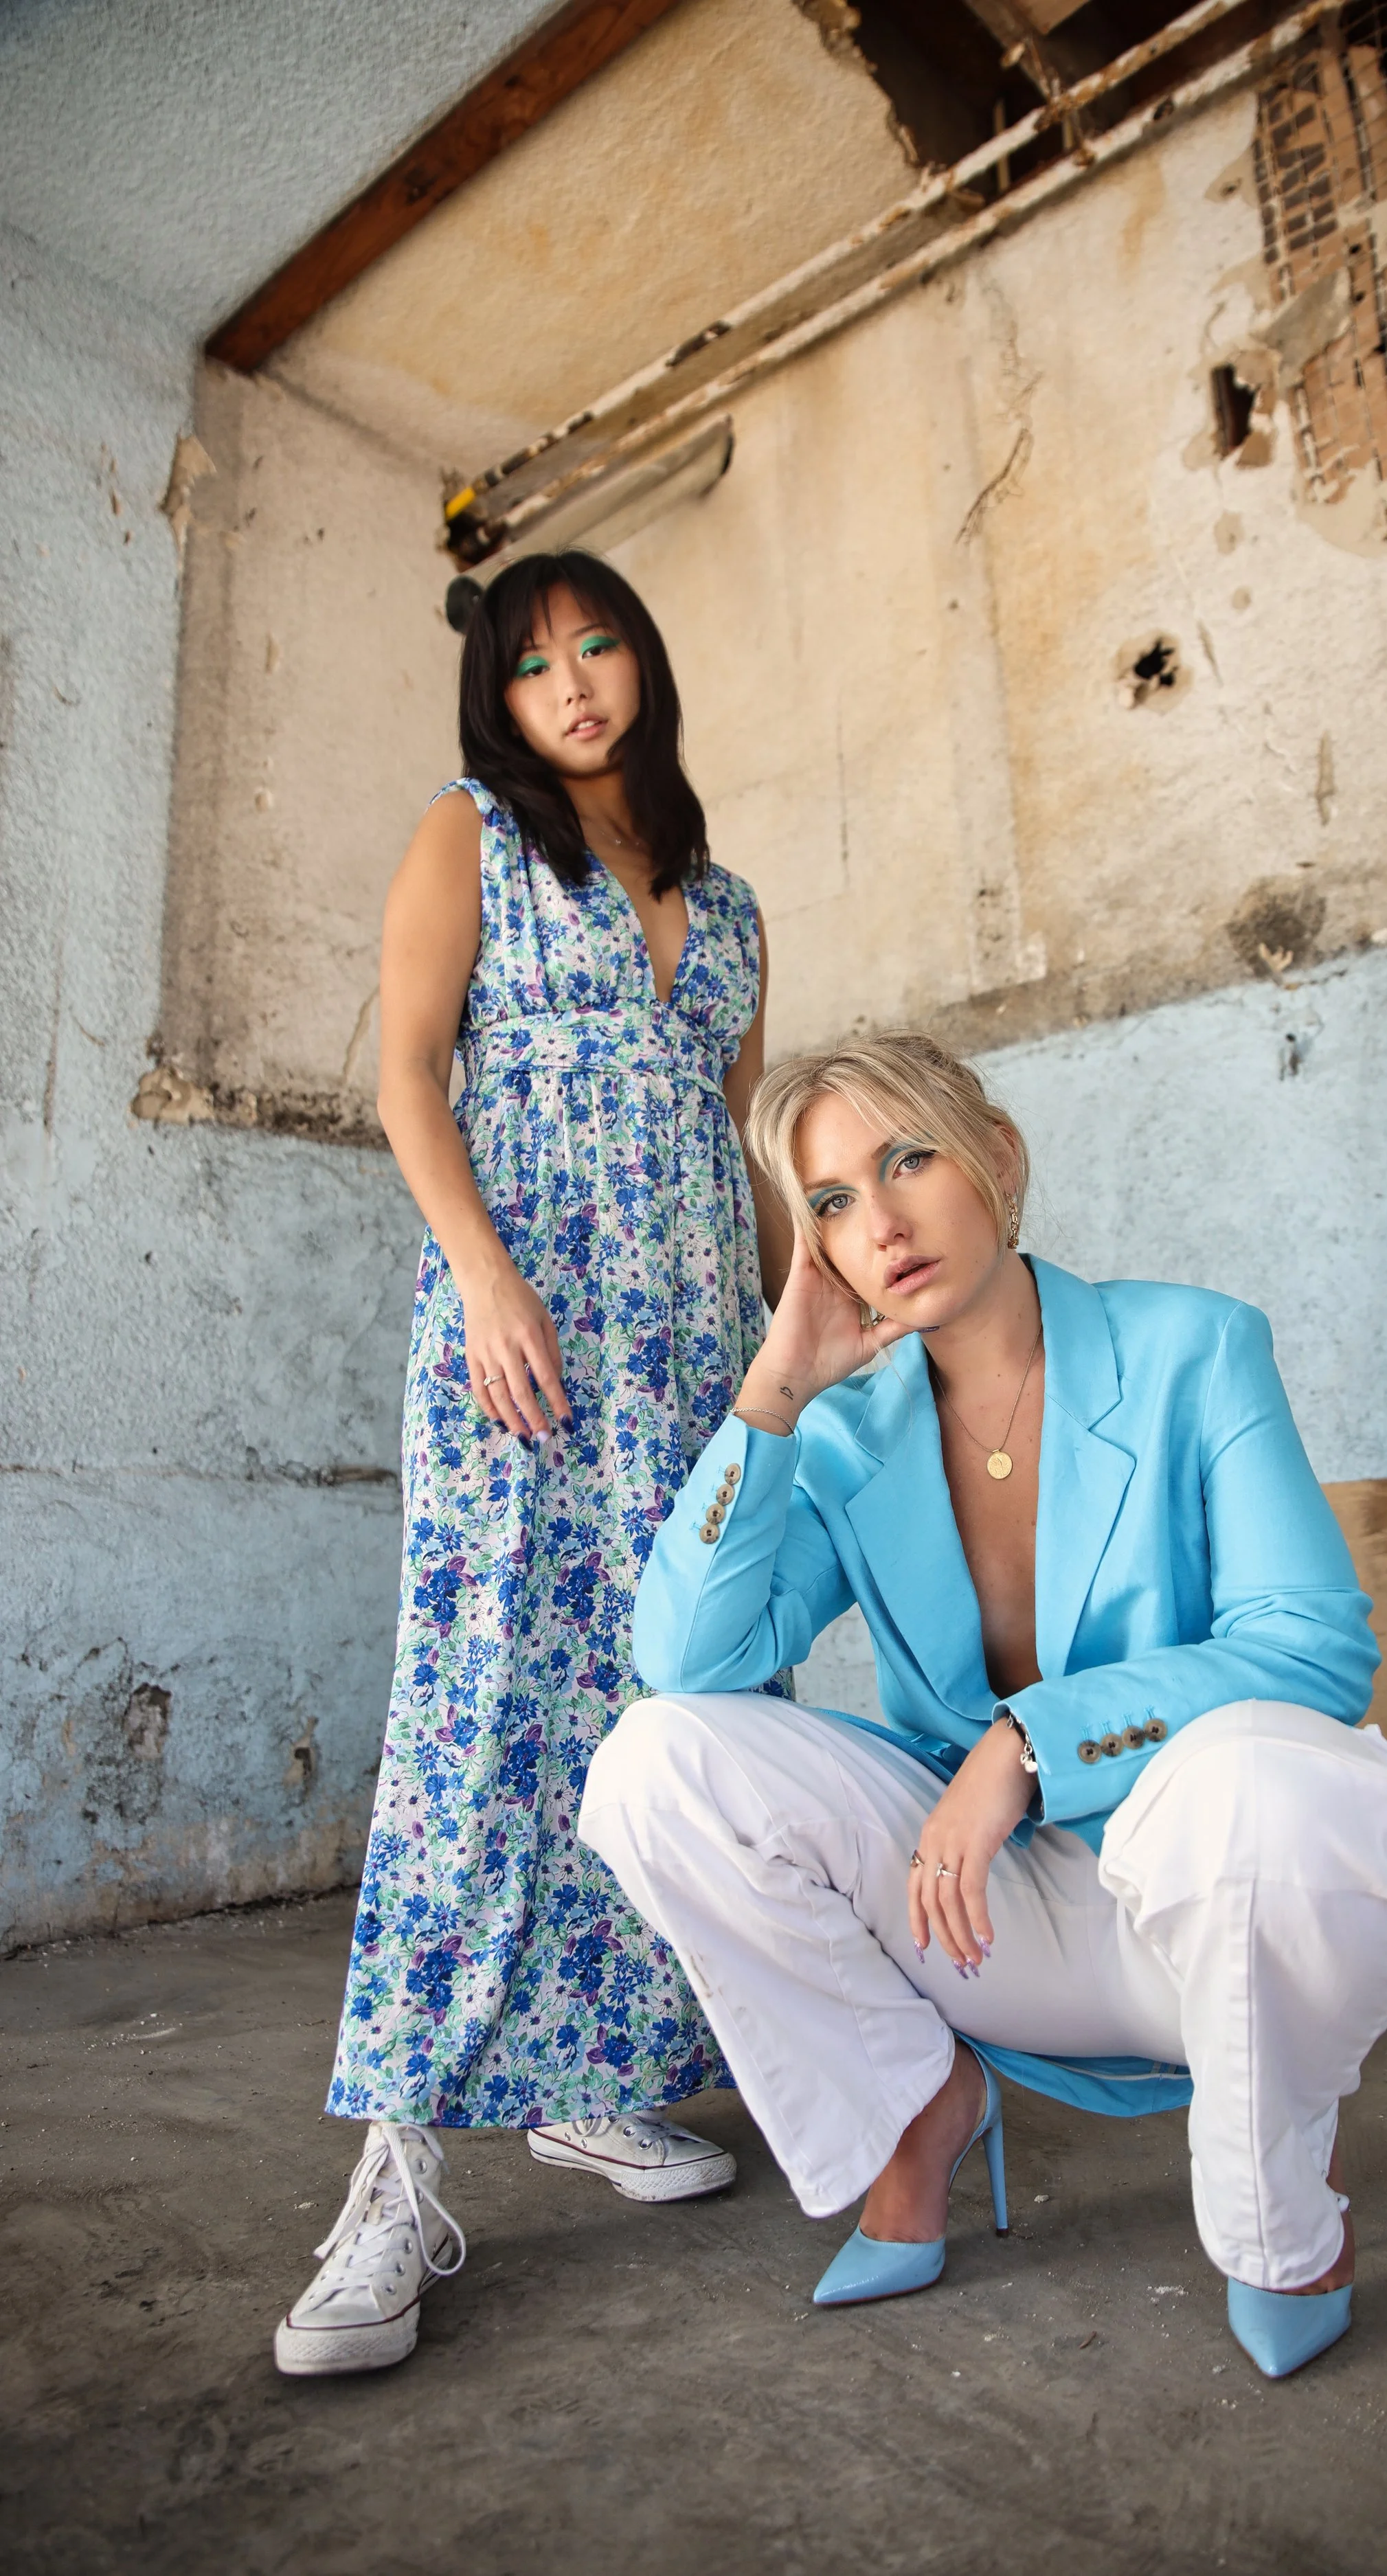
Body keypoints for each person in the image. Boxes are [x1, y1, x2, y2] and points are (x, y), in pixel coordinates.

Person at [579, 1032, 1387, 2380]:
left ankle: (1278, 2215)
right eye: (828, 1203)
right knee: (655, 1763)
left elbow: (1313, 1652)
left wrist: (1026, 1745)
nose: (878, 1223)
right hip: (983, 1920)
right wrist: (773, 1391)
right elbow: (691, 1659)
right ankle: (917, 2110)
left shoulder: (1190, 1349)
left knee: (1260, 1779)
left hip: (1216, 1907)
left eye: (907, 1160)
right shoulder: (843, 1435)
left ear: (996, 1156)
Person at [275, 552, 789, 2377]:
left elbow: (740, 1155)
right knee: (484, 1711)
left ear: (642, 660)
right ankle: (398, 2171)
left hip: (697, 1365)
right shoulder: (465, 839)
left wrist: (788, 1362)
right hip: (521, 1352)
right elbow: (411, 1077)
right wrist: (485, 1279)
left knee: (676, 1708)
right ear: (495, 698)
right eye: (534, 664)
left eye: (599, 645)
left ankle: (599, 2083)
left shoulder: (723, 907)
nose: (571, 682)